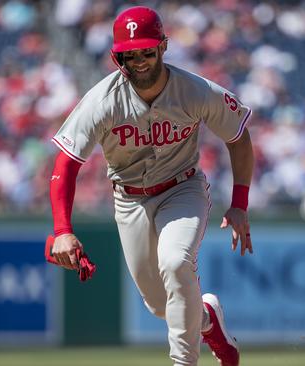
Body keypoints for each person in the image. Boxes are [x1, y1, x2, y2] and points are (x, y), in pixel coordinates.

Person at [48, 6, 253, 366]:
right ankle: (208, 323)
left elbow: (238, 137)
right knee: (163, 306)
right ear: (118, 56)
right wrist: (63, 230)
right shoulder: (102, 100)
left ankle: (183, 362)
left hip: (182, 189)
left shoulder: (195, 90)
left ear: (163, 46)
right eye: (131, 53)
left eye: (147, 50)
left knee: (176, 263)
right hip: (130, 202)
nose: (140, 60)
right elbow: (66, 164)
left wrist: (239, 203)